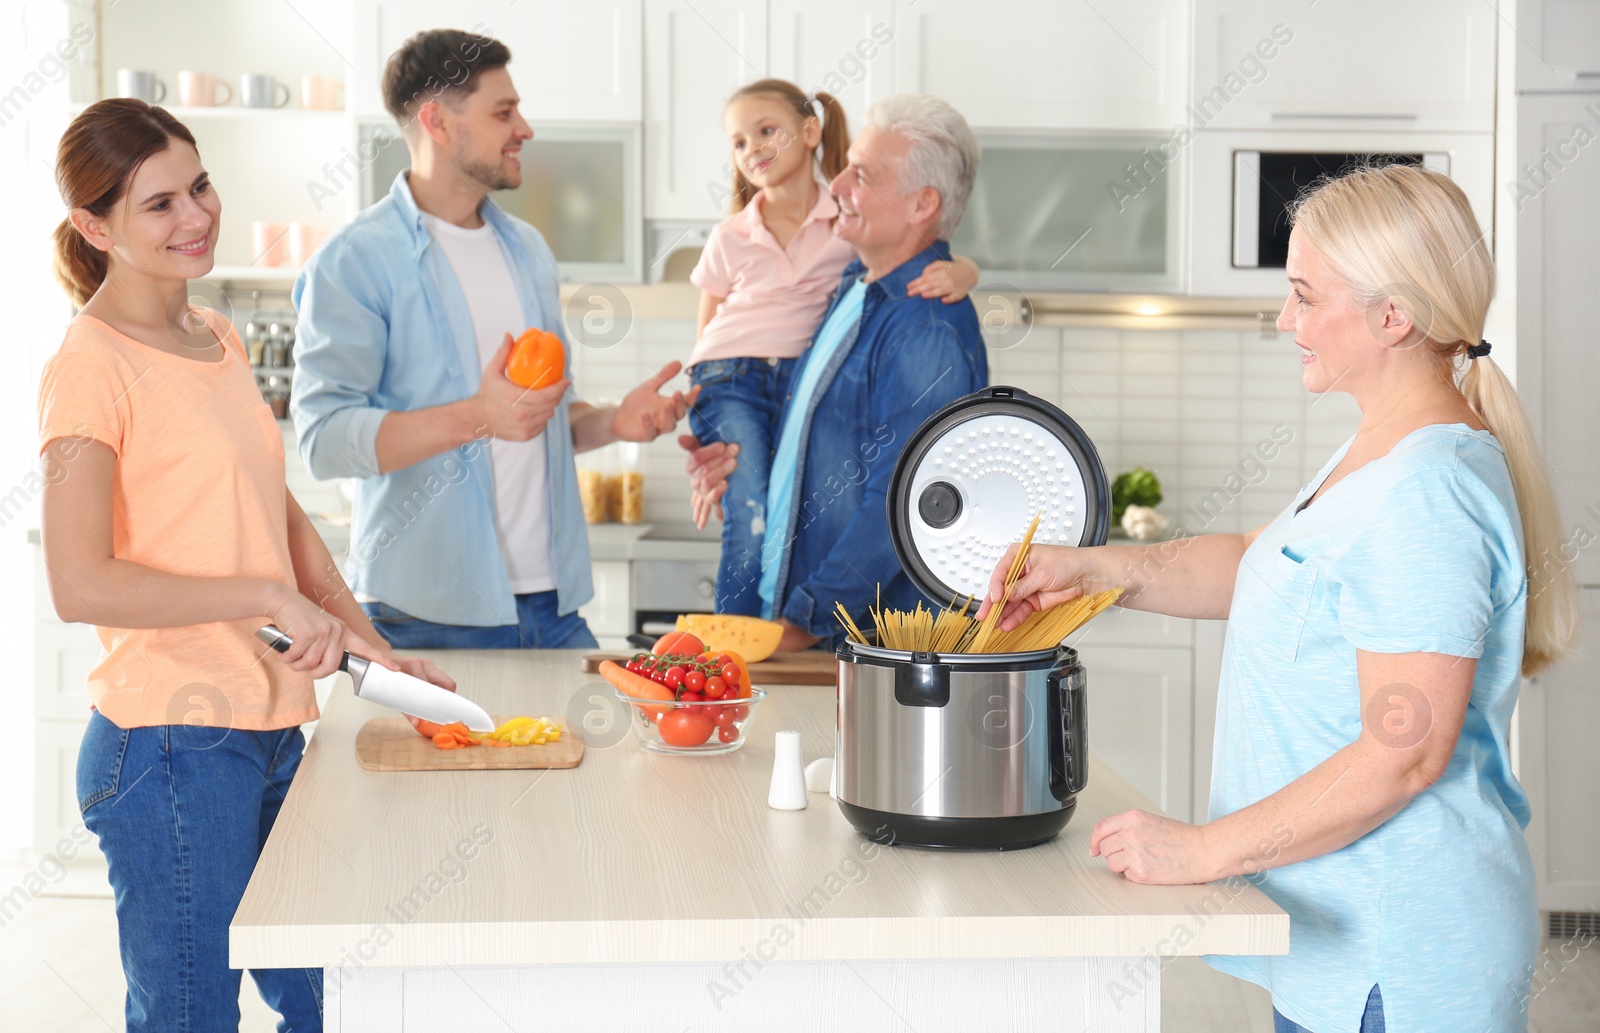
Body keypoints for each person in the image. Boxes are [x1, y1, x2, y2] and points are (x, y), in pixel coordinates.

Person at [979, 164, 1577, 1032]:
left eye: (1304, 296)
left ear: (1393, 316)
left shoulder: (1425, 489)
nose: (1284, 319)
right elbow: (1262, 564)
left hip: (1401, 951)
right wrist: (1100, 570)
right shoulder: (1380, 451)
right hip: (1344, 938)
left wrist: (1201, 849)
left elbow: (1402, 752)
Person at [41, 98, 454, 1033]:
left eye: (200, 186)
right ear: (93, 226)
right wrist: (265, 597)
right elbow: (81, 581)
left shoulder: (215, 334)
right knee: (191, 1018)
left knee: (333, 1001)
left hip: (269, 728)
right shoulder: (88, 365)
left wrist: (372, 648)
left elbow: (273, 515)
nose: (196, 217)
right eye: (159, 205)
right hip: (171, 747)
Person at [291, 28, 695, 650]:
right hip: (425, 620)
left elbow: (533, 421)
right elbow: (323, 442)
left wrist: (615, 422)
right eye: (503, 111)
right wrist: (474, 417)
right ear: (437, 121)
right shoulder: (354, 261)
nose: (524, 128)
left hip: (553, 610)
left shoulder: (527, 249)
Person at [684, 94, 988, 652]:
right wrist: (729, 460)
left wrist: (804, 621)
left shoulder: (926, 326)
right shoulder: (854, 283)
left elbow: (902, 502)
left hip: (850, 646)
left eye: (862, 175)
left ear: (922, 205)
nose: (839, 184)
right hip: (803, 623)